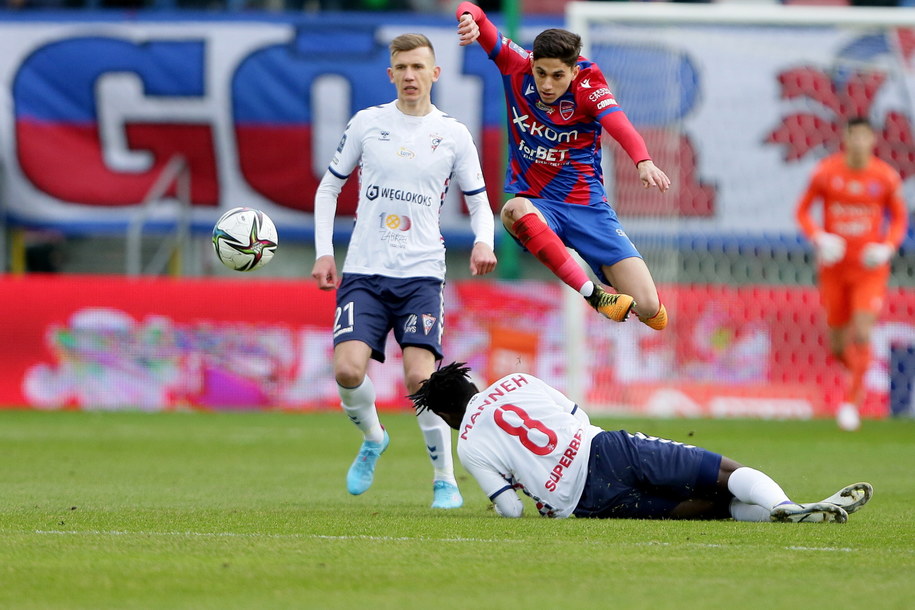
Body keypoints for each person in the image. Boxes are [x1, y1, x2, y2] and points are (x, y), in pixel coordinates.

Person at [311, 33, 498, 509]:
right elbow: (328, 189)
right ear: (390, 74)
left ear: (435, 74)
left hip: (420, 276)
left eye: (419, 67)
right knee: (348, 370)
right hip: (365, 272)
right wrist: (323, 252)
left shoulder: (453, 134)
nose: (410, 75)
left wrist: (484, 240)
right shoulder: (367, 124)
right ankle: (373, 438)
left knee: (422, 381)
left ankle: (444, 479)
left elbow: (478, 200)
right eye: (402, 67)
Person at [410, 362, 873, 522]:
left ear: (449, 414)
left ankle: (781, 514)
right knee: (722, 473)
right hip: (605, 448)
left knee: (706, 510)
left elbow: (510, 509)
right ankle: (786, 504)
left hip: (586, 501)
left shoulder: (467, 444)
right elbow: (577, 415)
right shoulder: (517, 380)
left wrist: (527, 490)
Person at [455, 2, 671, 330]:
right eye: (541, 73)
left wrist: (643, 161)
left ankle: (615, 281)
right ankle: (596, 296)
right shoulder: (515, 64)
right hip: (539, 206)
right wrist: (468, 17)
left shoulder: (589, 88)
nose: (547, 84)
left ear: (573, 70)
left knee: (651, 311)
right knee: (514, 209)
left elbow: (621, 126)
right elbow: (473, 9)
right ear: (532, 64)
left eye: (558, 76)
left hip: (588, 207)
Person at [795, 117, 908, 432]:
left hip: (869, 270)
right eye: (853, 135)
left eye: (864, 137)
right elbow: (802, 211)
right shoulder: (826, 172)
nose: (859, 142)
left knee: (862, 333)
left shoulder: (885, 177)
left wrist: (887, 246)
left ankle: (850, 403)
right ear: (845, 137)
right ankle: (860, 371)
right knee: (837, 346)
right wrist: (819, 237)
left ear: (872, 140)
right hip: (834, 269)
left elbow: (899, 218)